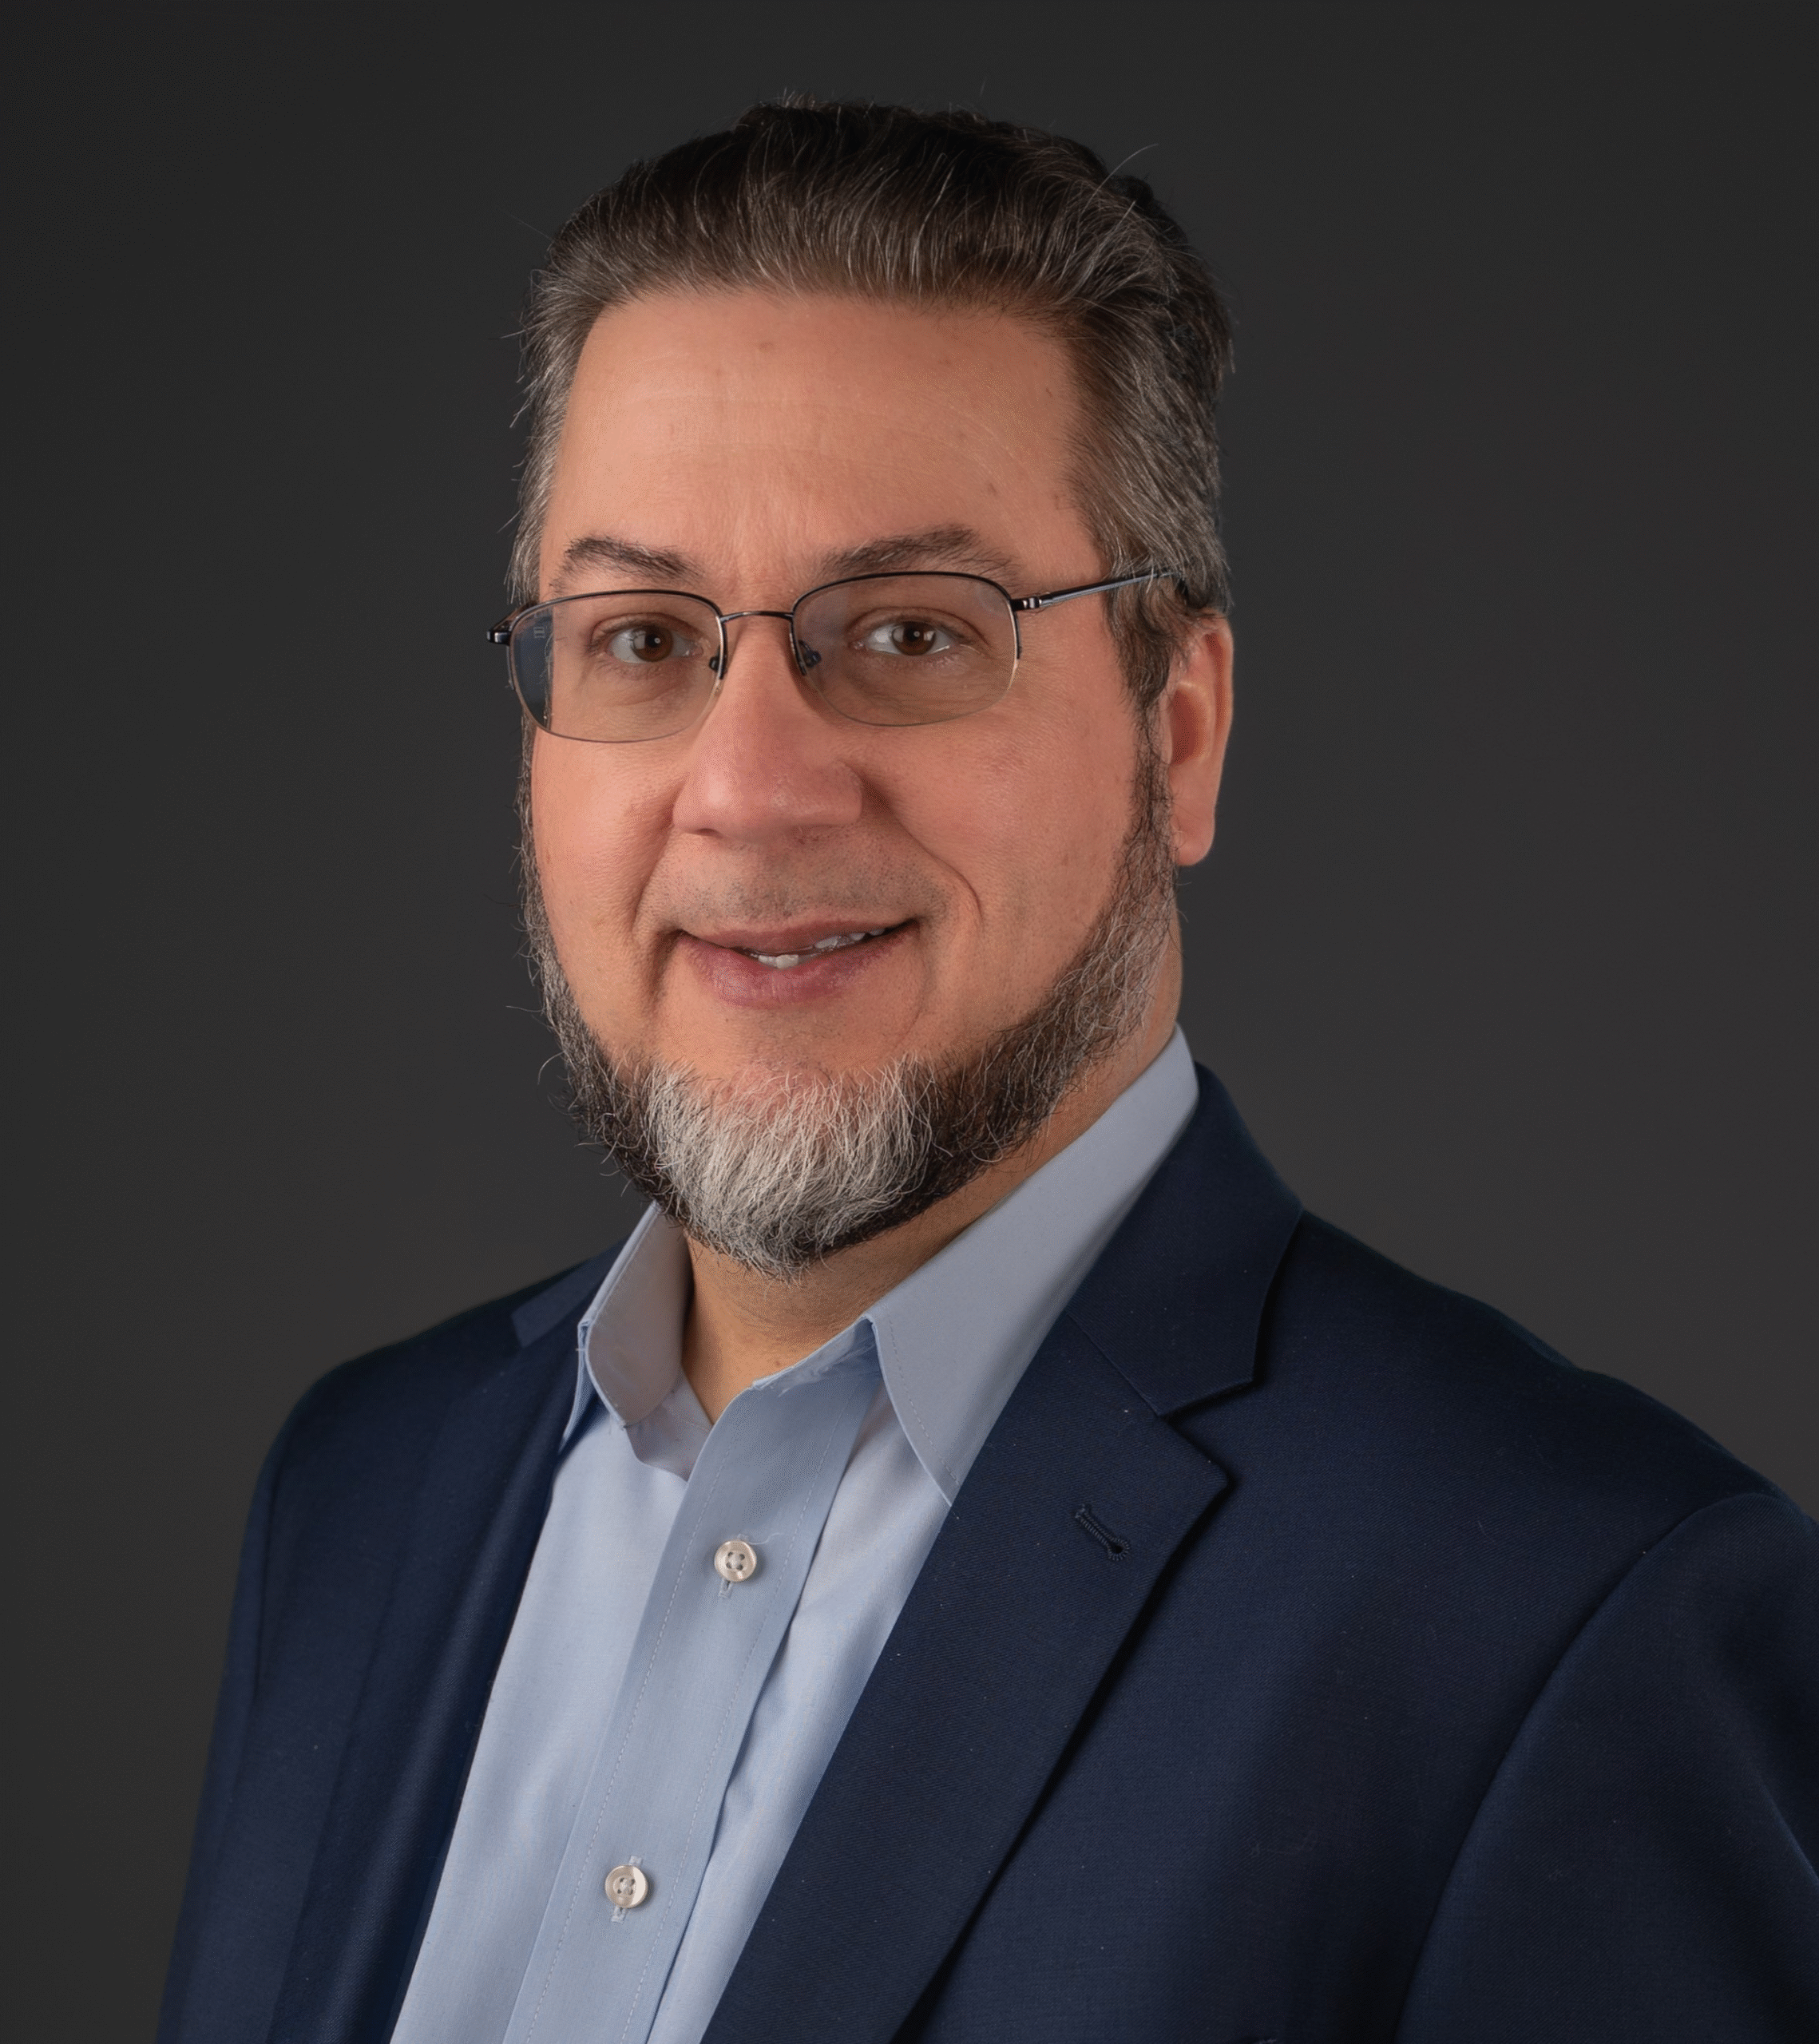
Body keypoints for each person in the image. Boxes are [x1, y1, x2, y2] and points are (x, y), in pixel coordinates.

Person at [158, 101, 1818, 2044]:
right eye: (641, 638)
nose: (752, 787)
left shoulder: (1566, 1612)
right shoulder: (364, 1490)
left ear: (1174, 733)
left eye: (911, 631)